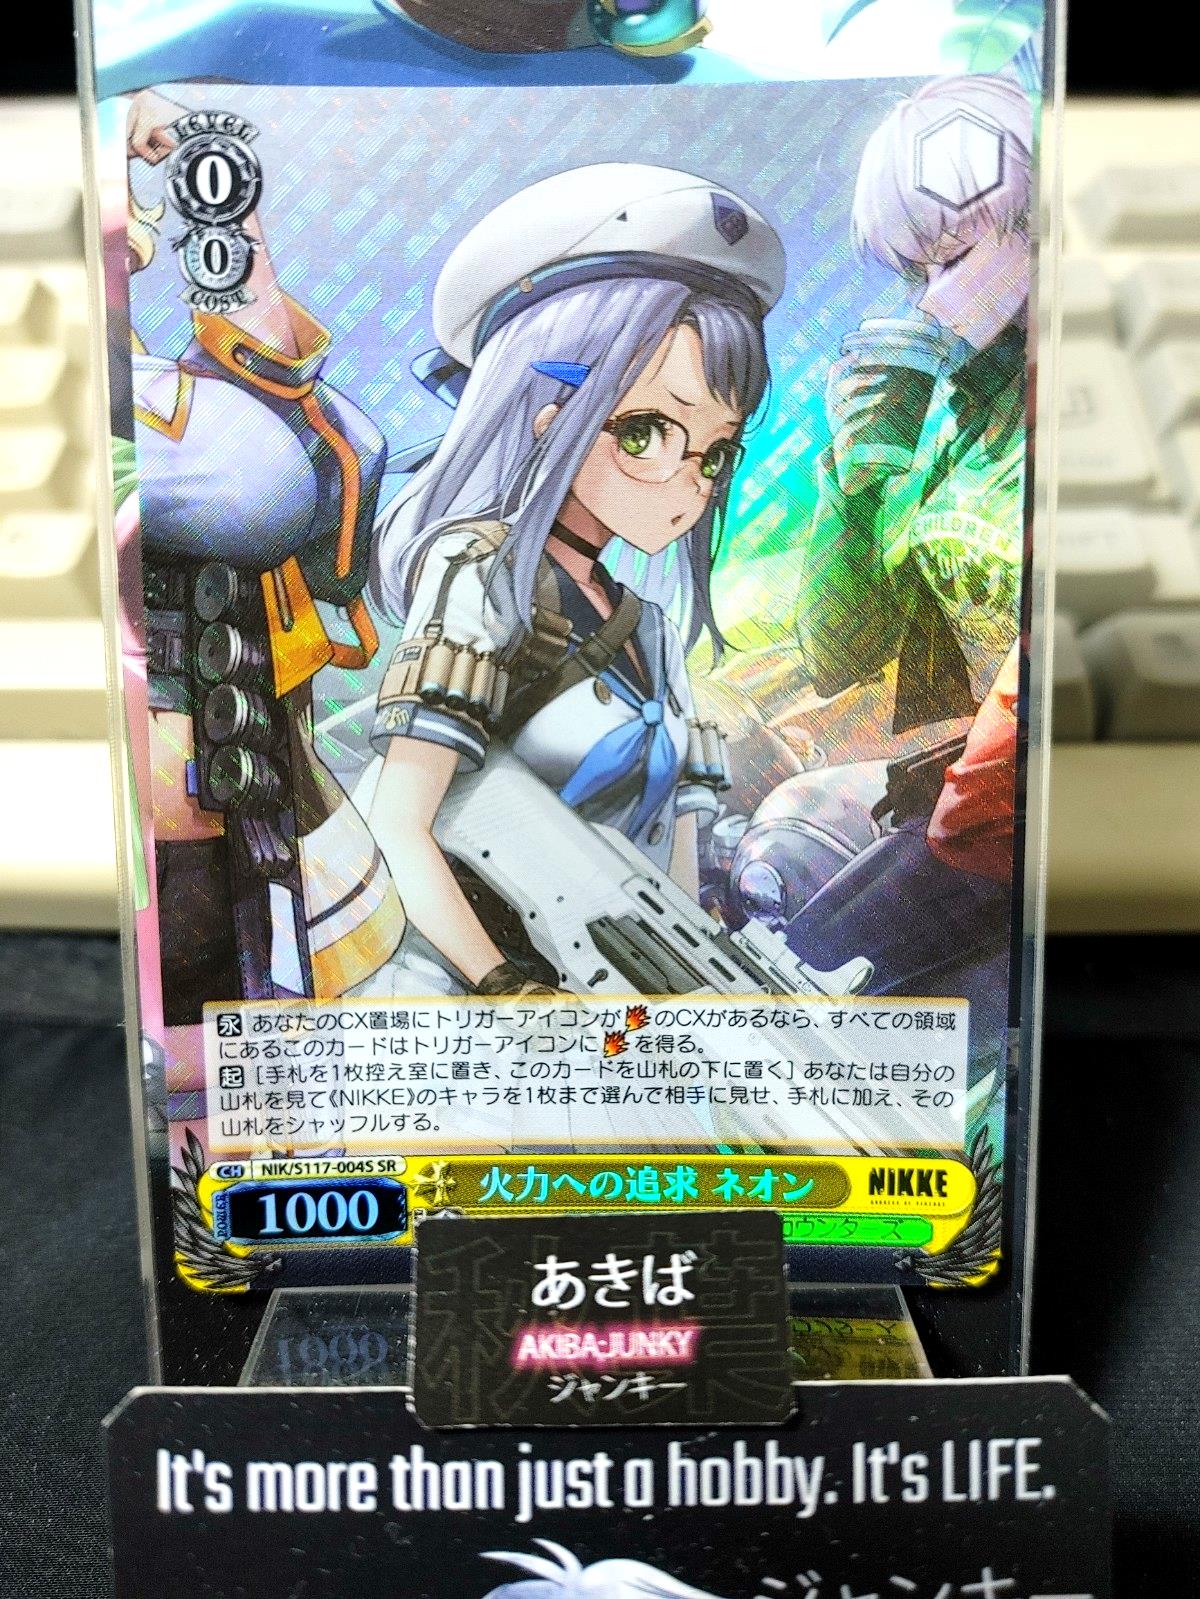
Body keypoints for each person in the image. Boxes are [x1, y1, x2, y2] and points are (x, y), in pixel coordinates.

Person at [366, 161, 785, 997]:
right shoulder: (479, 577)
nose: (689, 483)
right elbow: (396, 823)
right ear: (546, 411)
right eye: (645, 433)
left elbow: (672, 874)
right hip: (454, 998)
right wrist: (502, 987)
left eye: (715, 453)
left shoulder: (653, 634)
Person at [119, 88, 405, 1023]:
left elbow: (284, 446)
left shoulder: (166, 399)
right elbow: (261, 476)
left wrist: (211, 188)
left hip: (232, 811)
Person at [798, 73, 1032, 735]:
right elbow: (839, 661)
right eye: (914, 274)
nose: (928, 300)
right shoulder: (951, 420)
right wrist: (852, 493)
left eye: (953, 259)